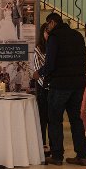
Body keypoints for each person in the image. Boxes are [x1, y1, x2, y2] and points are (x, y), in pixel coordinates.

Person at [38, 13, 86, 166]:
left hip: (60, 85)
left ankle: (57, 156)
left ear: (53, 22)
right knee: (76, 119)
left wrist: (39, 73)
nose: (47, 27)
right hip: (78, 84)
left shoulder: (55, 37)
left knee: (54, 119)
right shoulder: (77, 35)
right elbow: (84, 59)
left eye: (48, 24)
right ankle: (82, 156)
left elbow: (50, 63)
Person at [32, 23, 51, 155]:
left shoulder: (56, 47)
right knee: (42, 116)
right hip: (43, 86)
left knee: (53, 118)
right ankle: (43, 143)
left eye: (50, 32)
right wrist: (46, 82)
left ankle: (54, 144)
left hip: (55, 87)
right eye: (46, 31)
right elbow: (38, 71)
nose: (48, 34)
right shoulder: (39, 48)